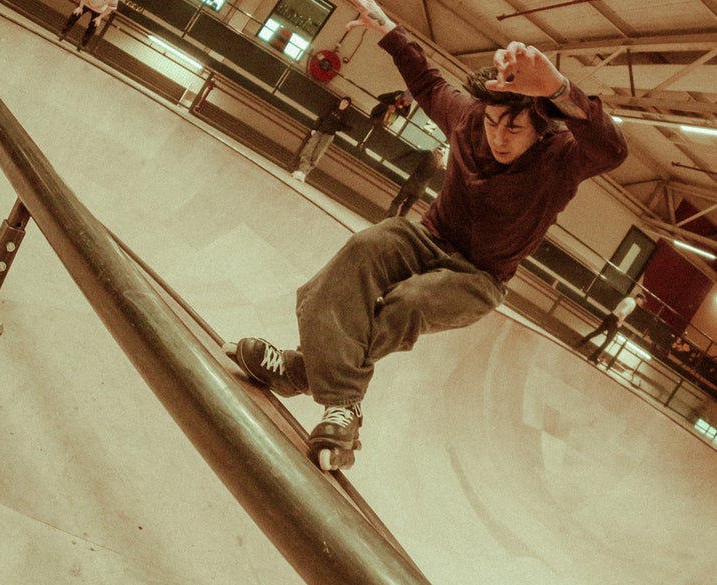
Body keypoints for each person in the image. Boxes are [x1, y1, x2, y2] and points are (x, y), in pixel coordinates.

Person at [225, 0, 628, 470]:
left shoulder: (562, 159)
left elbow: (613, 150)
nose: (499, 137)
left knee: (408, 303)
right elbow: (428, 83)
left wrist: (557, 88)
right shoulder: (468, 120)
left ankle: (305, 374)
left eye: (514, 128)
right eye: (493, 122)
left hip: (479, 277)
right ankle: (338, 399)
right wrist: (387, 30)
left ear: (540, 130)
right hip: (427, 239)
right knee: (365, 247)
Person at [291, 96, 353, 182]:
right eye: (343, 101)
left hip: (329, 135)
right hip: (320, 131)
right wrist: (314, 128)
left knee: (318, 154)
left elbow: (344, 127)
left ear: (347, 106)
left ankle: (304, 173)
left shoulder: (345, 116)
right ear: (340, 101)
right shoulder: (331, 108)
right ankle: (302, 170)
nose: (344, 103)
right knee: (309, 149)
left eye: (346, 103)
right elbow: (321, 118)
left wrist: (336, 127)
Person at [578, 293, 647, 363]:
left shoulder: (628, 299)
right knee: (608, 340)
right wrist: (620, 322)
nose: (642, 303)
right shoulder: (632, 304)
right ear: (638, 298)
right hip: (615, 321)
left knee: (596, 332)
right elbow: (622, 312)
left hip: (610, 316)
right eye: (642, 301)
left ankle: (579, 343)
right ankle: (594, 356)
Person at [384, 145, 446, 218]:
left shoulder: (429, 154)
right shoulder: (440, 164)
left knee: (396, 202)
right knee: (407, 207)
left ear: (435, 150)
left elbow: (420, 150)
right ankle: (400, 222)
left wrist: (418, 147)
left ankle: (389, 218)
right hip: (420, 190)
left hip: (411, 184)